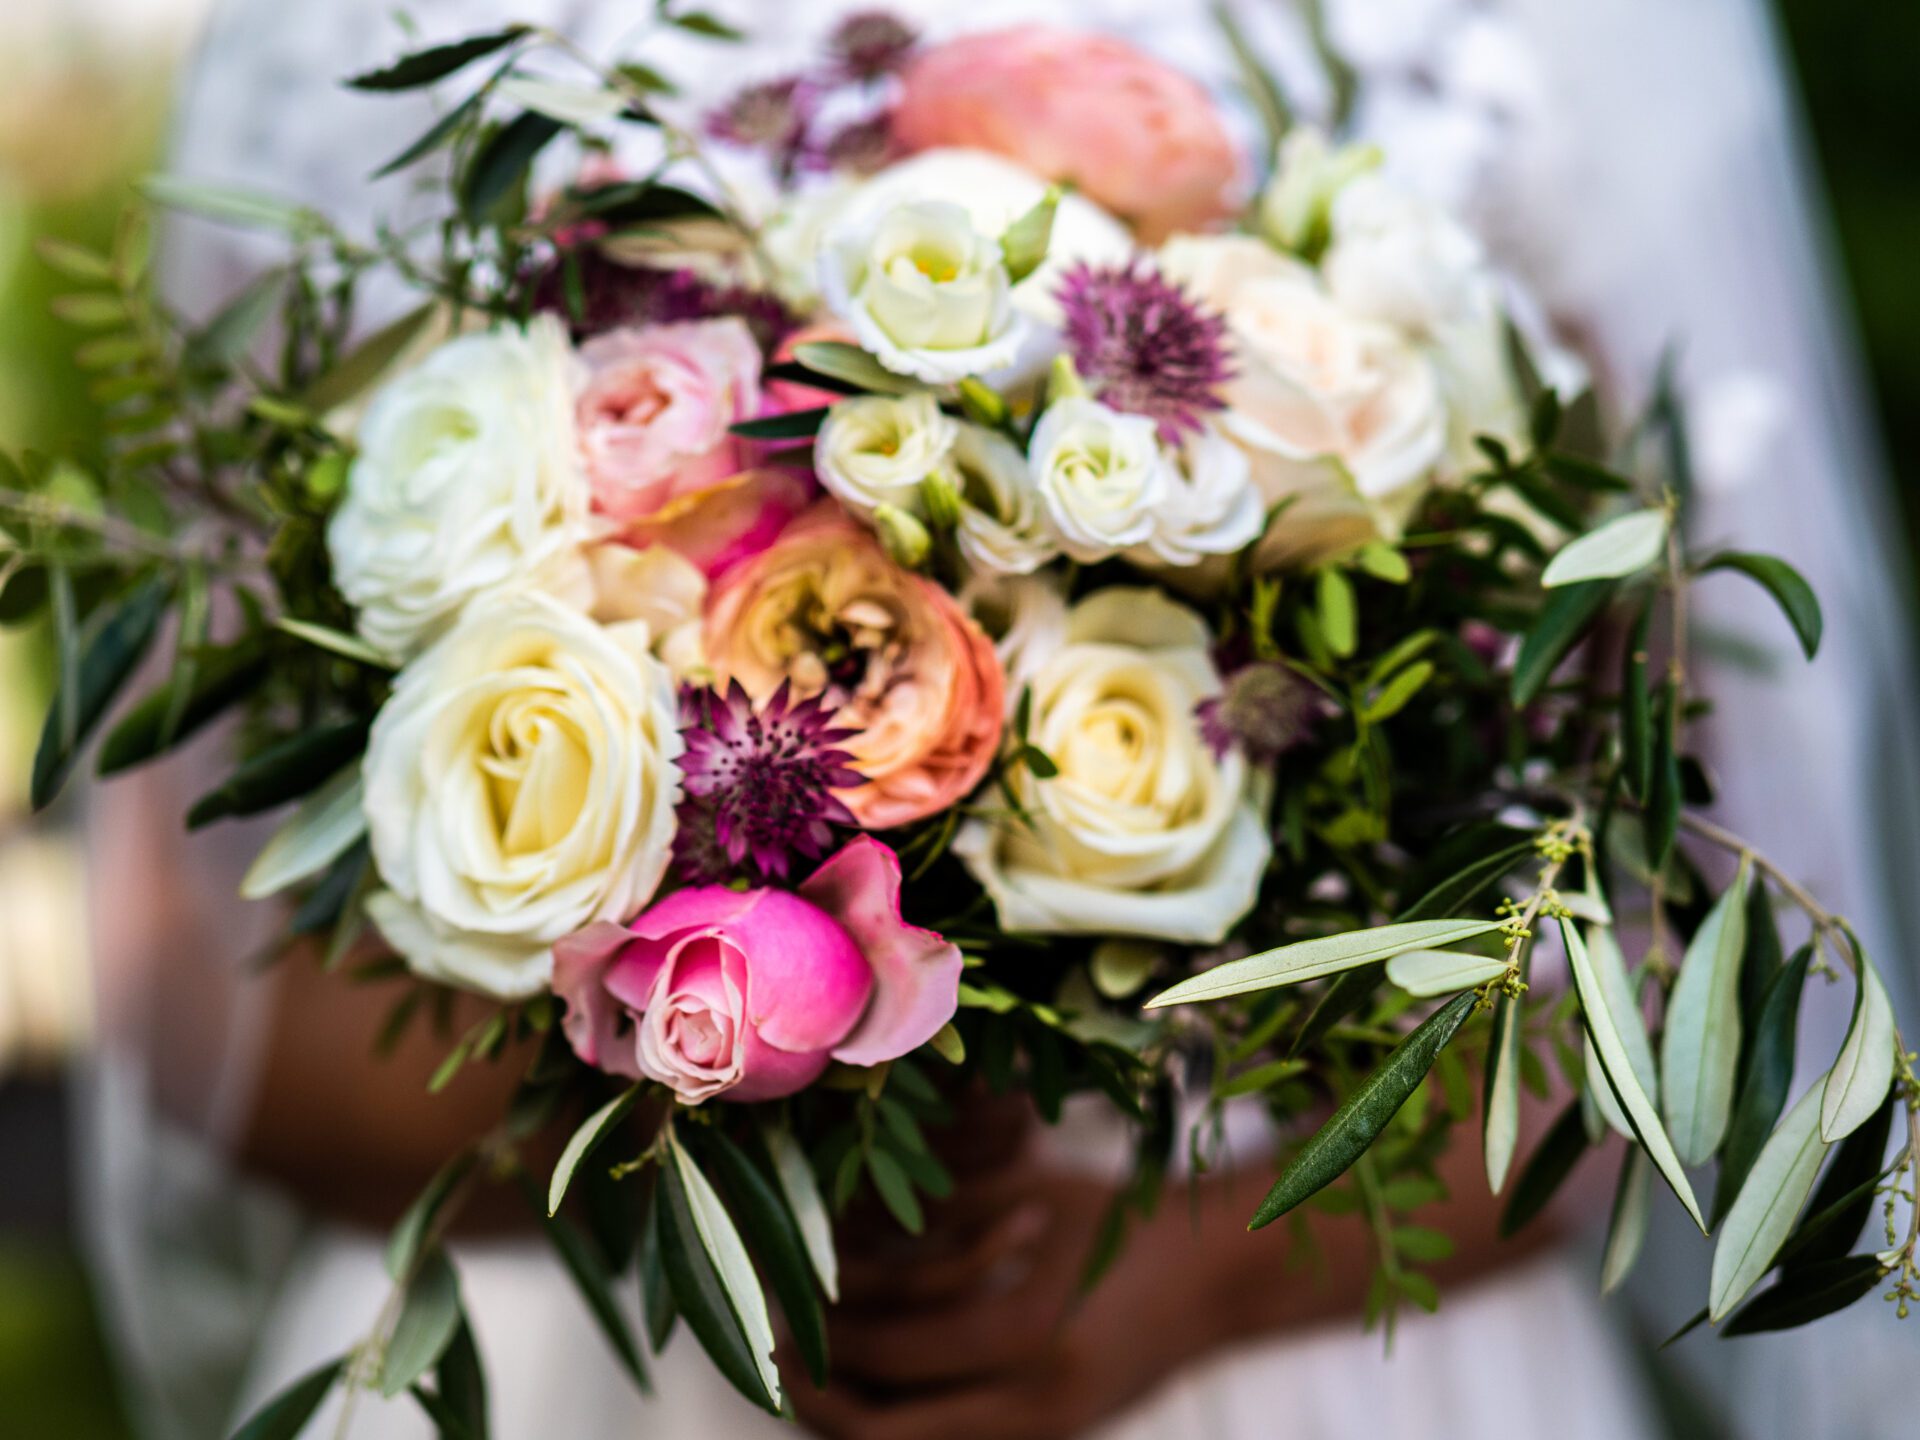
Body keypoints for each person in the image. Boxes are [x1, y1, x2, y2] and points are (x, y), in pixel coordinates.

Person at [80, 2, 1917, 1438]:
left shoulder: (1512, 29)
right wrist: (701, 1168)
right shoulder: (353, 35)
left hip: (1290, 1353)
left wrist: (1203, 1277)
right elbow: (197, 968)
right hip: (646, 1346)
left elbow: (1677, 919)